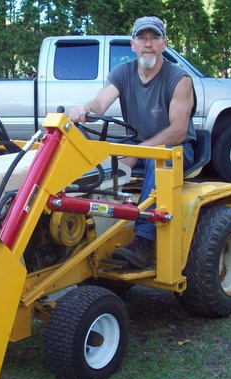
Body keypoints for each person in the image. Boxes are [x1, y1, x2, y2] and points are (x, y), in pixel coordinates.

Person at [68, 16, 196, 269]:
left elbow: (179, 131)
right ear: (133, 44)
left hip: (177, 150)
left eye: (154, 38)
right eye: (142, 38)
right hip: (136, 146)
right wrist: (84, 108)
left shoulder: (180, 79)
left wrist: (138, 151)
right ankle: (86, 230)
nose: (148, 43)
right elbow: (100, 103)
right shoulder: (122, 73)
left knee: (158, 162)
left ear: (163, 44)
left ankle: (144, 242)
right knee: (93, 164)